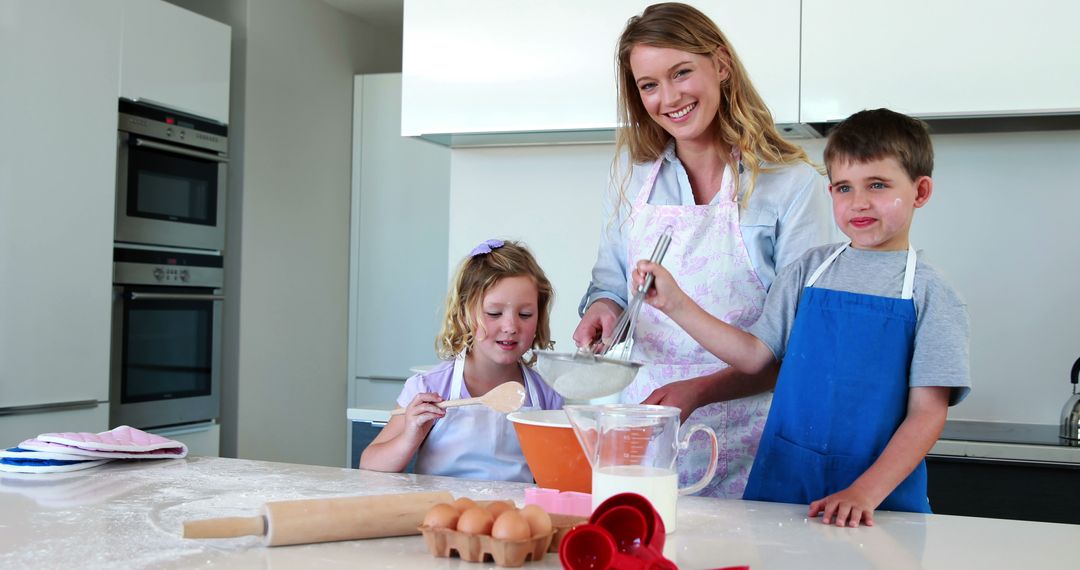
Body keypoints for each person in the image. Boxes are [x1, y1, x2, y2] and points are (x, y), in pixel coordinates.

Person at [632, 108, 971, 527]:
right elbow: (755, 356)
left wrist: (865, 492)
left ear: (921, 192)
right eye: (844, 188)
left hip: (880, 503)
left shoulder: (931, 294)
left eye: (878, 185)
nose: (859, 202)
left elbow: (927, 414)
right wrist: (676, 304)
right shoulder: (808, 270)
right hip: (784, 488)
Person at [572, 2, 837, 497]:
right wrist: (603, 310)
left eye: (681, 73)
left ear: (720, 64)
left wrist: (699, 392)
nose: (668, 97)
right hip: (648, 431)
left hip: (759, 435)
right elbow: (610, 281)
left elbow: (801, 343)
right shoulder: (634, 180)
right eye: (649, 85)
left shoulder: (792, 186)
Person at [359, 239, 564, 481]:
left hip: (511, 514)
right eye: (494, 313)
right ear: (465, 314)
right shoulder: (430, 388)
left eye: (525, 314)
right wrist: (410, 437)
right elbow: (369, 465)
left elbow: (558, 476)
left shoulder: (546, 395)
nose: (510, 326)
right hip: (441, 514)